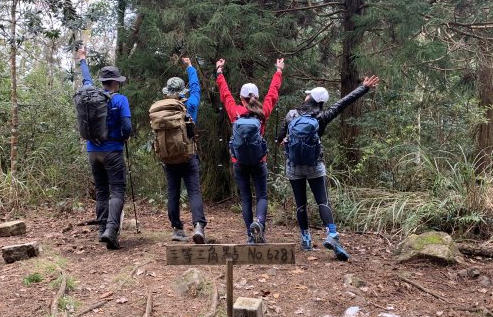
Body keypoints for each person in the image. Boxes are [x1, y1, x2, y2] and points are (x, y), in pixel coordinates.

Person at [276, 76, 380, 260]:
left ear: (309, 98)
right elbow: (343, 103)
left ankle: (306, 239)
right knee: (323, 201)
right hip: (315, 165)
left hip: (293, 166)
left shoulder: (292, 114)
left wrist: (284, 141)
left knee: (301, 204)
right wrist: (363, 87)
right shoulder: (322, 116)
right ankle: (332, 234)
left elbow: (279, 138)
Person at [215, 58, 284, 243]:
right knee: (262, 195)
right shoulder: (263, 112)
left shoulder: (235, 112)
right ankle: (260, 224)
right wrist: (278, 71)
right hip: (259, 160)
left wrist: (220, 72)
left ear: (241, 98)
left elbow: (225, 94)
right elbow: (273, 93)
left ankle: (250, 236)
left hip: (239, 162)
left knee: (246, 198)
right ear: (256, 97)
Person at [77, 46, 132, 250]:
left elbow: (86, 79)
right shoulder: (120, 100)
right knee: (117, 191)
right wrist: (124, 137)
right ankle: (111, 230)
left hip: (93, 151)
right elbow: (127, 126)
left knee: (101, 190)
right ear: (116, 82)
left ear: (102, 83)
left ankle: (102, 230)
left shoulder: (91, 95)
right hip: (112, 151)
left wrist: (83, 59)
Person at [160, 58, 208, 244]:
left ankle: (177, 229)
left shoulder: (162, 109)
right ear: (182, 91)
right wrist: (189, 67)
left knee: (172, 192)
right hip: (188, 155)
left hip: (169, 158)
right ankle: (198, 226)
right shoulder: (191, 104)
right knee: (194, 191)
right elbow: (196, 88)